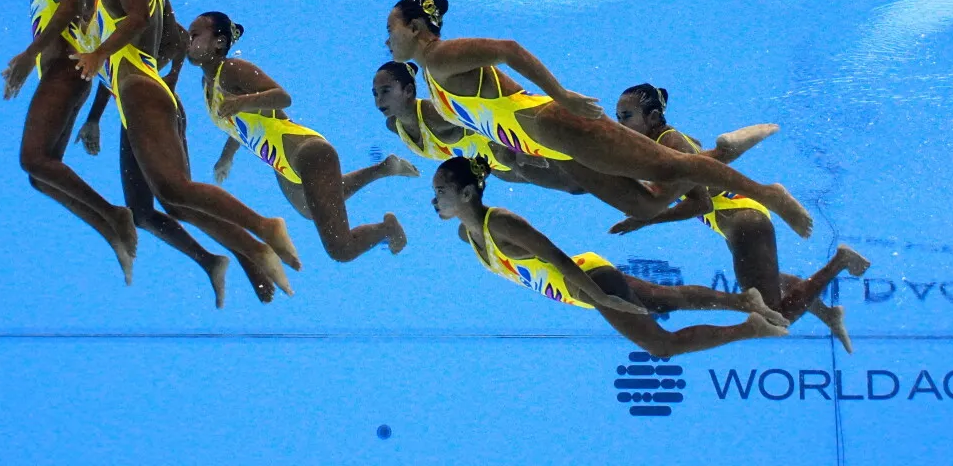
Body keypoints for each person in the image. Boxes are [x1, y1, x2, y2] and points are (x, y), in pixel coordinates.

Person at [387, 0, 813, 235]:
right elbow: (486, 120)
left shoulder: (441, 58)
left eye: (391, 29)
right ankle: (721, 153)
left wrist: (564, 98)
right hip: (547, 144)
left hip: (555, 123)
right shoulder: (431, 78)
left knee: (670, 167)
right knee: (643, 207)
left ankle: (769, 193)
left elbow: (508, 50)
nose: (387, 40)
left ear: (415, 28)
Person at [73, 0, 300, 299]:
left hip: (144, 94)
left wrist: (103, 61)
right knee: (149, 209)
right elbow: (174, 39)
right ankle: (225, 259)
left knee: (178, 193)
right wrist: (101, 111)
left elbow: (138, 27)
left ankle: (263, 231)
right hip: (140, 96)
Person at [434, 157, 788, 358]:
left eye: (441, 191)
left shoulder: (501, 223)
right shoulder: (467, 234)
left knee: (660, 344)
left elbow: (555, 256)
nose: (434, 200)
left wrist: (601, 297)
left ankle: (751, 327)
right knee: (666, 299)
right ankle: (744, 300)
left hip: (591, 282)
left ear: (467, 193)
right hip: (587, 285)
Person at [608, 84, 870, 348]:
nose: (620, 124)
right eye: (618, 117)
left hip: (744, 222)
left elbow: (701, 204)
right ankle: (828, 313)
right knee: (769, 281)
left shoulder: (669, 143)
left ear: (652, 117)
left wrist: (646, 219)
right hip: (737, 220)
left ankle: (839, 261)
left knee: (774, 317)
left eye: (627, 117)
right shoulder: (660, 142)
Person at [372, 60, 780, 216]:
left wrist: (515, 155)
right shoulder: (398, 127)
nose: (379, 100)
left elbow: (483, 128)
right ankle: (720, 157)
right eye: (375, 93)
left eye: (385, 91)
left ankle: (725, 156)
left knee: (648, 183)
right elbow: (472, 155)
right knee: (637, 187)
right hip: (514, 162)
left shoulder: (436, 113)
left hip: (529, 146)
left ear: (410, 90)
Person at [187, 12, 412, 262]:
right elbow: (239, 126)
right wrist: (226, 157)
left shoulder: (232, 69)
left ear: (219, 42)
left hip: (308, 153)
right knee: (309, 209)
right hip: (281, 163)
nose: (188, 40)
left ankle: (388, 227)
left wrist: (242, 101)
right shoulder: (207, 84)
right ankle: (384, 168)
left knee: (341, 249)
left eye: (194, 35)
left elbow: (282, 98)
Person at [3, 0, 137, 280]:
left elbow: (63, 12)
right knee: (41, 174)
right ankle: (111, 231)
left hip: (64, 66)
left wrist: (29, 57)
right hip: (67, 68)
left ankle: (115, 214)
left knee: (33, 160)